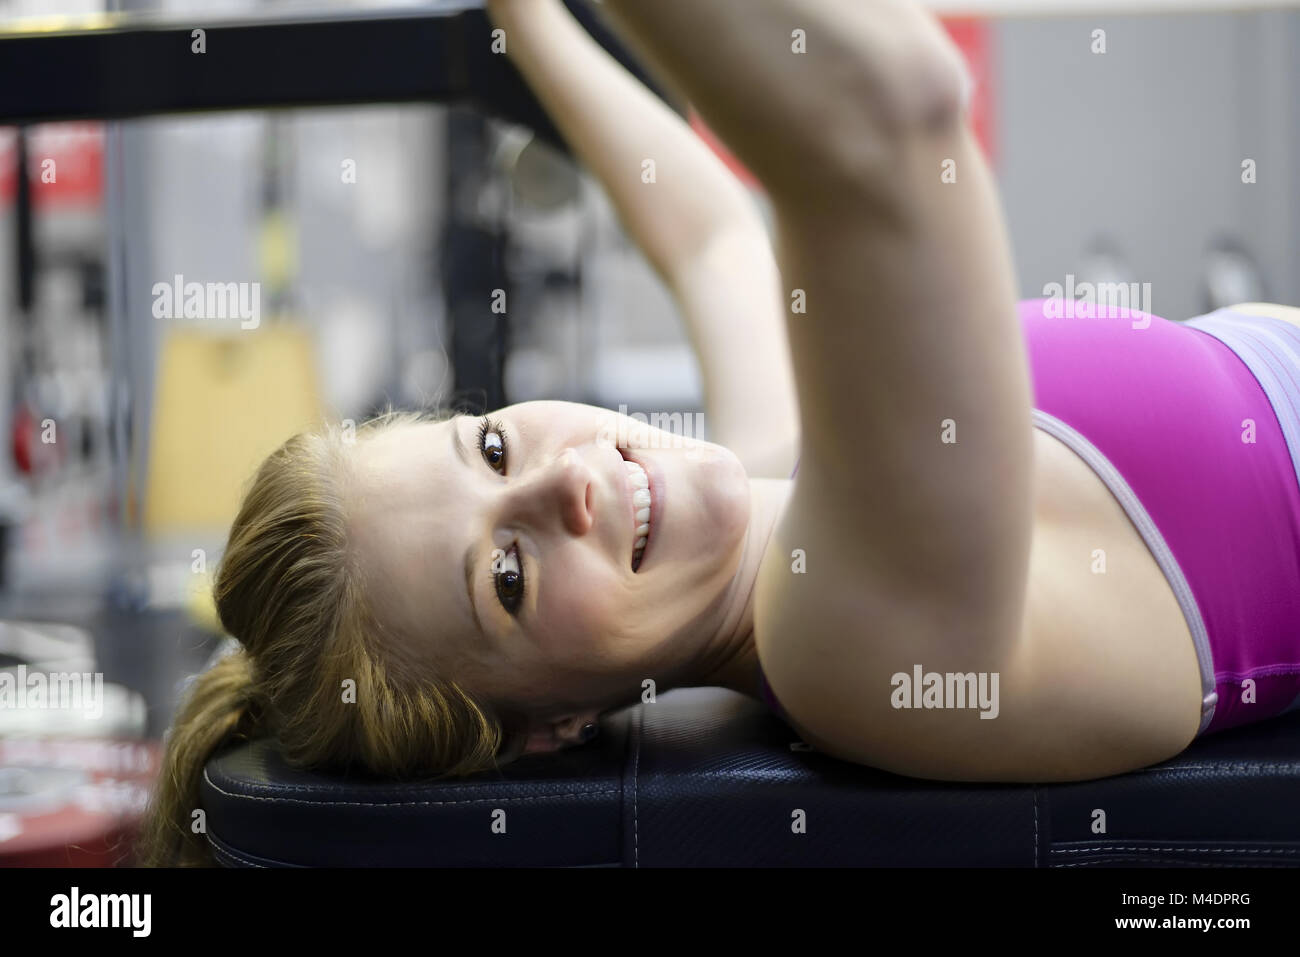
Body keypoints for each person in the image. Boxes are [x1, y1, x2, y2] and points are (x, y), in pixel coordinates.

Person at [137, 0, 1300, 866]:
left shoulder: (781, 492)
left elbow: (714, 243)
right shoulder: (849, 646)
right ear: (550, 730)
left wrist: (524, 22)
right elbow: (886, 114)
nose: (563, 488)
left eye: (491, 447)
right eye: (506, 573)